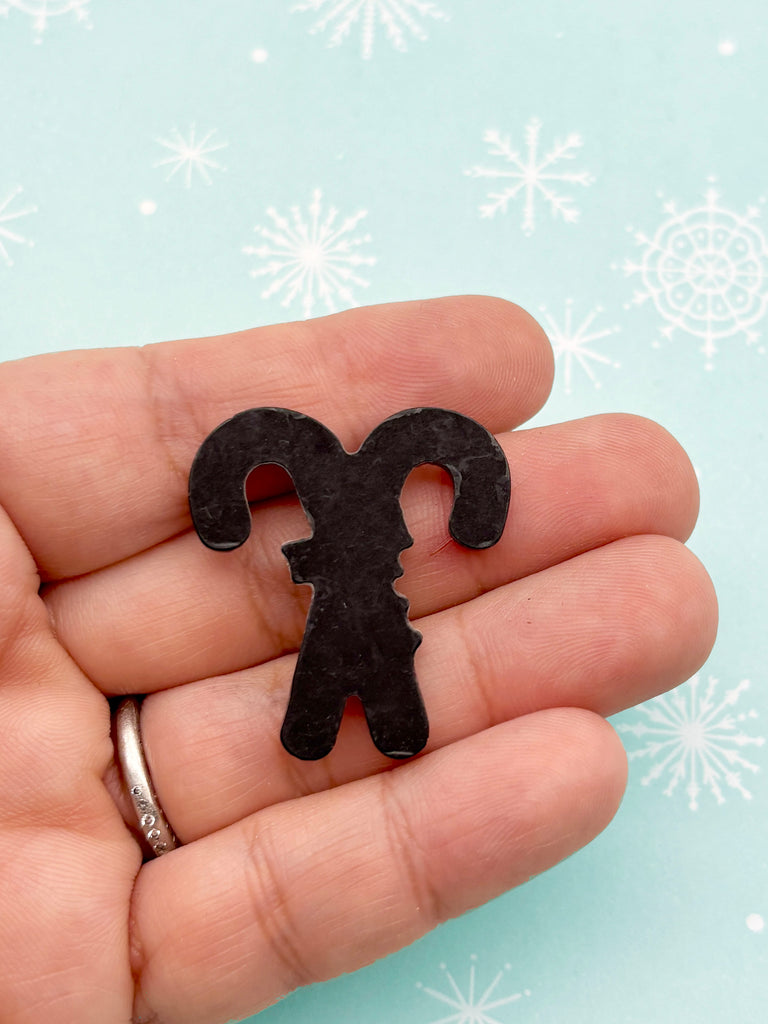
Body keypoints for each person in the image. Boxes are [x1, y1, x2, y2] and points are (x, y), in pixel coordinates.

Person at [0, 295, 717, 1024]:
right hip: (350, 615)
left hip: (361, 616)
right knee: (341, 723)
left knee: (355, 720)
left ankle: (354, 712)